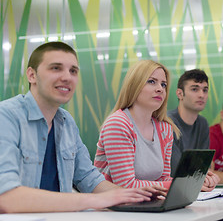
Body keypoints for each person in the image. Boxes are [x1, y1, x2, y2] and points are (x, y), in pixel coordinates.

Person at [0, 42, 161, 213]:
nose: (67, 77)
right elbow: (7, 198)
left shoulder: (66, 122)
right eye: (56, 68)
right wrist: (95, 200)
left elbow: (89, 178)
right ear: (32, 75)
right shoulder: (7, 116)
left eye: (73, 71)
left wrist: (135, 197)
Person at [94, 60, 218, 191]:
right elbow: (125, 186)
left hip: (146, 205)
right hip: (112, 208)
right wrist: (185, 183)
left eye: (163, 84)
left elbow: (164, 179)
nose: (160, 89)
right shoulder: (118, 123)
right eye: (151, 81)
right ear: (134, 85)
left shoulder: (165, 128)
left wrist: (196, 182)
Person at [168, 69, 212, 176]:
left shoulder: (203, 124)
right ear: (180, 94)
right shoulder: (168, 123)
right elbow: (177, 171)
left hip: (193, 187)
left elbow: (203, 168)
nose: (201, 95)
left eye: (205, 90)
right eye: (194, 89)